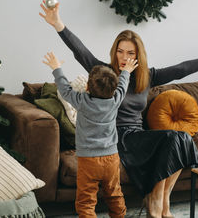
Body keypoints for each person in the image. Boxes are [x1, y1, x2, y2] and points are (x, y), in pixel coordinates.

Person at [39, 2, 198, 218]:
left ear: (138, 55)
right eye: (120, 51)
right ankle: (155, 201)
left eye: (130, 52)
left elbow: (180, 70)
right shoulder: (105, 74)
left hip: (137, 135)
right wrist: (58, 24)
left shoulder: (148, 76)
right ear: (114, 52)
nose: (124, 57)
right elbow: (80, 51)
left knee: (181, 139)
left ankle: (163, 200)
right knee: (174, 140)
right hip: (117, 138)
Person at [42, 51, 138, 218]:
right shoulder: (115, 100)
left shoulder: (82, 101)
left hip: (88, 160)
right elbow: (123, 85)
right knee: (114, 194)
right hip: (111, 158)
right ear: (113, 89)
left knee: (86, 200)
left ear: (87, 87)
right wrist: (126, 71)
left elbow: (64, 89)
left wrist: (57, 68)